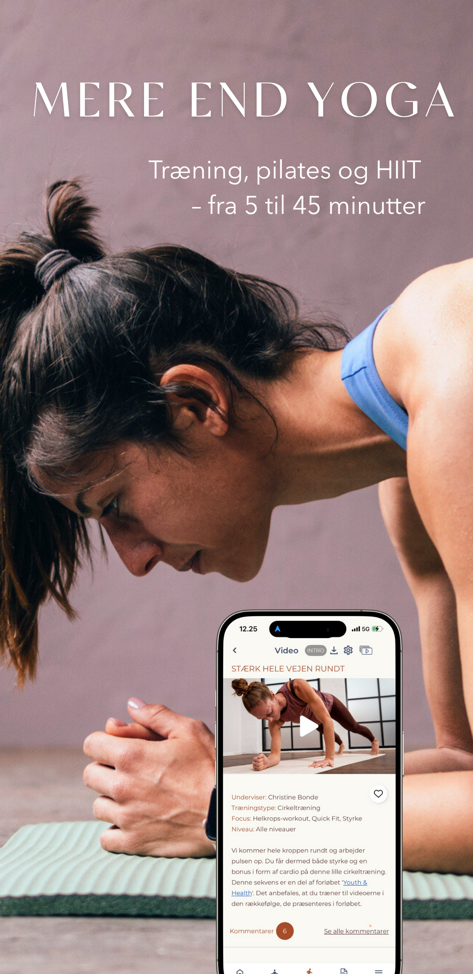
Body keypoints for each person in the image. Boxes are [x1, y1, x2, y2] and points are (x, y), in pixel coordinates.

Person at [0, 179, 473, 871]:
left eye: (113, 506)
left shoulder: (456, 380)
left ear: (194, 401)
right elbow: (462, 768)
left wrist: (230, 811)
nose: (132, 559)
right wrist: (228, 787)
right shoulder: (408, 469)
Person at [231, 677, 380, 770]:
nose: (270, 720)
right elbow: (275, 755)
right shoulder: (274, 722)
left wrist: (329, 758)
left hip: (328, 705)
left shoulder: (297, 687)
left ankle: (373, 740)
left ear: (272, 695)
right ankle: (341, 744)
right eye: (263, 718)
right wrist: (266, 763)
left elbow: (327, 720)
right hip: (312, 718)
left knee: (352, 727)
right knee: (328, 734)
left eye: (269, 712)